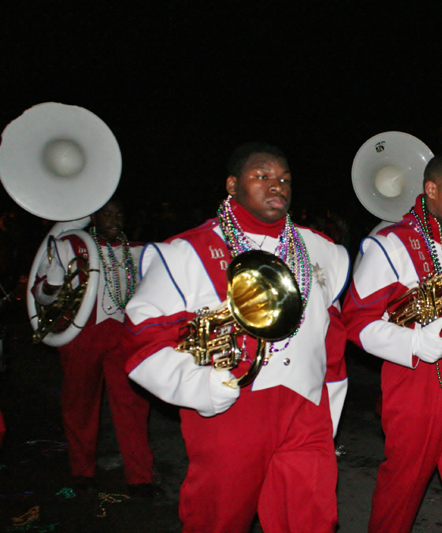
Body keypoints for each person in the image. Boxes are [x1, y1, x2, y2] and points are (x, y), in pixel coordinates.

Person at [123, 143, 350, 533]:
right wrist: (202, 386)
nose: (276, 186)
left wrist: (328, 409)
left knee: (313, 518)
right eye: (262, 176)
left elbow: (332, 340)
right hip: (230, 410)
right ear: (232, 184)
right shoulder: (186, 252)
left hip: (306, 412)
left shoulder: (321, 249)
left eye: (284, 179)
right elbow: (144, 343)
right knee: (217, 519)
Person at [342, 153, 442, 533]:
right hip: (412, 378)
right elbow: (356, 322)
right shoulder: (388, 243)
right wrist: (412, 342)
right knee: (405, 484)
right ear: (431, 190)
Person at [31, 198, 157, 496]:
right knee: (80, 404)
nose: (114, 220)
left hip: (124, 335)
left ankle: (140, 478)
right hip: (82, 335)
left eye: (119, 213)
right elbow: (41, 294)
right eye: (107, 214)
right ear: (94, 217)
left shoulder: (139, 250)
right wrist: (52, 285)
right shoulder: (70, 244)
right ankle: (82, 472)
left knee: (133, 406)